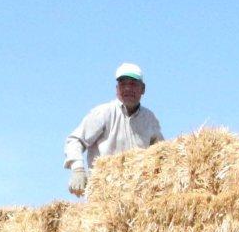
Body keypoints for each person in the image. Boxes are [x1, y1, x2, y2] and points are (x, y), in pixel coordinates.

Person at [64, 62, 164, 196]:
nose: (128, 88)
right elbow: (75, 140)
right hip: (105, 193)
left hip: (139, 195)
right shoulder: (104, 113)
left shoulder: (150, 120)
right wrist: (78, 170)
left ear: (143, 89)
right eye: (123, 84)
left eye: (133, 84)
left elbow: (162, 154)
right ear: (117, 89)